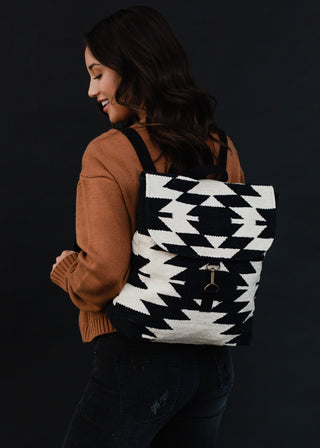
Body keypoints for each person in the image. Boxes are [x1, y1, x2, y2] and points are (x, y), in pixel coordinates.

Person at [50, 5, 245, 447]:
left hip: (139, 357)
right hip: (213, 359)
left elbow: (103, 276)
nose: (90, 89)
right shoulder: (221, 148)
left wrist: (67, 273)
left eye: (98, 73)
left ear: (131, 65)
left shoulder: (108, 152)